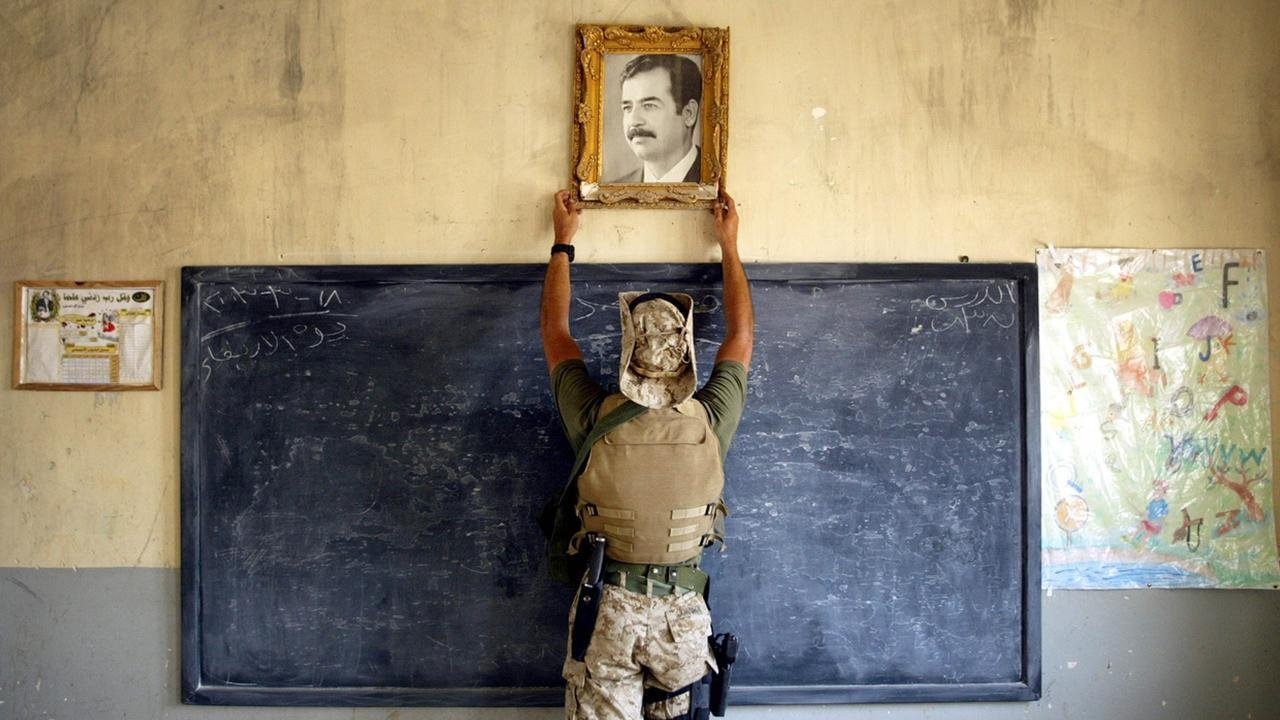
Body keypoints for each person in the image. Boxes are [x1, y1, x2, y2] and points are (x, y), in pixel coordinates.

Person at [541, 188, 753, 719]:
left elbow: (555, 333)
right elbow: (742, 335)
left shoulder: (594, 417)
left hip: (607, 610)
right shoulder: (710, 420)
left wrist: (563, 243)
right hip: (683, 619)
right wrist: (729, 244)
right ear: (687, 351)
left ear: (627, 349)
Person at [607, 55, 703, 184]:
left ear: (689, 114)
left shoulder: (716, 184)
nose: (634, 121)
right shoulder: (613, 189)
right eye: (627, 107)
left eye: (649, 106)